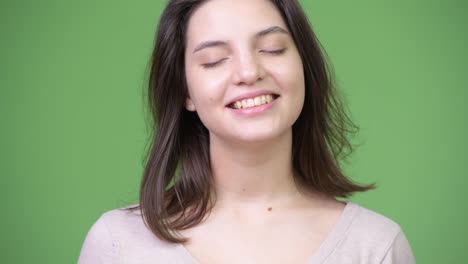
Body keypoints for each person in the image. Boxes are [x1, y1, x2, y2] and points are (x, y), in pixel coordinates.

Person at [78, 0, 416, 263]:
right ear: (184, 92)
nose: (249, 71)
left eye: (272, 49)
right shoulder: (116, 244)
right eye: (214, 59)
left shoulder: (375, 246)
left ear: (304, 66)